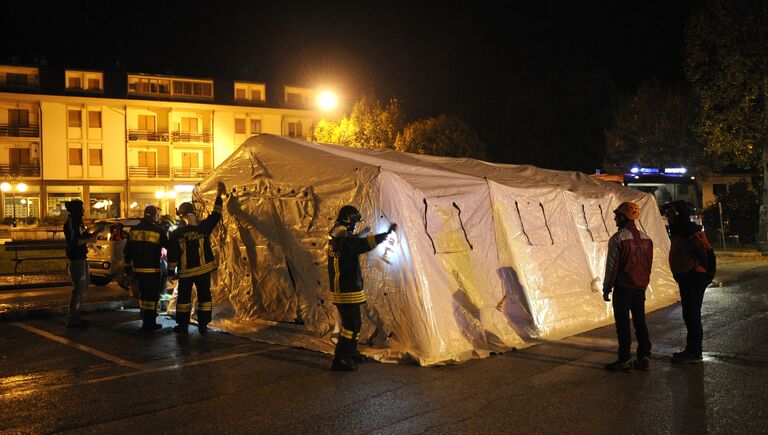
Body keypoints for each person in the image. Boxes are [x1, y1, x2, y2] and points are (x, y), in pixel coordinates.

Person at [327, 205, 397, 371]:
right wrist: (385, 235)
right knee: (351, 327)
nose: (355, 225)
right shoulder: (344, 240)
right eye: (355, 222)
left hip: (344, 290)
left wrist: (360, 235)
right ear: (348, 220)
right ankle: (340, 359)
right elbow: (363, 245)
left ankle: (350, 353)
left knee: (354, 325)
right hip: (346, 290)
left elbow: (354, 243)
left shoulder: (339, 237)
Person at [167, 182, 226, 335]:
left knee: (184, 300)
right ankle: (203, 325)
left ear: (182, 215)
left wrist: (170, 272)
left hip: (186, 273)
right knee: (205, 297)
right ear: (193, 212)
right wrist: (219, 196)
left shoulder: (177, 234)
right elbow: (216, 215)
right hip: (204, 271)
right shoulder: (204, 228)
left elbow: (172, 255)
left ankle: (182, 326)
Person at [602, 201, 654, 372]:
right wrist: (644, 282)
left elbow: (612, 266)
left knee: (623, 324)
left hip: (623, 287)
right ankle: (644, 356)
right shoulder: (646, 238)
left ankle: (624, 359)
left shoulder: (618, 238)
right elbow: (648, 265)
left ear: (624, 217)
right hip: (640, 287)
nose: (615, 219)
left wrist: (607, 288)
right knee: (640, 322)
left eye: (617, 215)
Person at [667, 200, 713, 364]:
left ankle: (694, 352)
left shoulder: (690, 232)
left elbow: (704, 253)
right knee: (690, 314)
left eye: (671, 213)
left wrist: (700, 273)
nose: (668, 216)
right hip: (687, 276)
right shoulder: (681, 230)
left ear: (679, 214)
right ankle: (692, 350)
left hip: (692, 277)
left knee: (692, 314)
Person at [124, 205, 167, 331]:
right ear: (154, 216)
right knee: (152, 297)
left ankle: (144, 315)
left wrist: (127, 266)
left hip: (138, 269)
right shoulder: (158, 231)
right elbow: (168, 245)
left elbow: (128, 250)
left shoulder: (134, 230)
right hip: (152, 270)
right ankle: (149, 323)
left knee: (143, 295)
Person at [63, 200, 103, 328]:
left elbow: (86, 237)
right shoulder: (71, 223)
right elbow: (75, 242)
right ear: (75, 210)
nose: (83, 211)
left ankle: (76, 317)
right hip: (76, 259)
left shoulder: (79, 223)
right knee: (78, 289)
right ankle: (73, 319)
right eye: (81, 209)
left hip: (82, 257)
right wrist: (89, 239)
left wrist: (97, 233)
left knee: (83, 288)